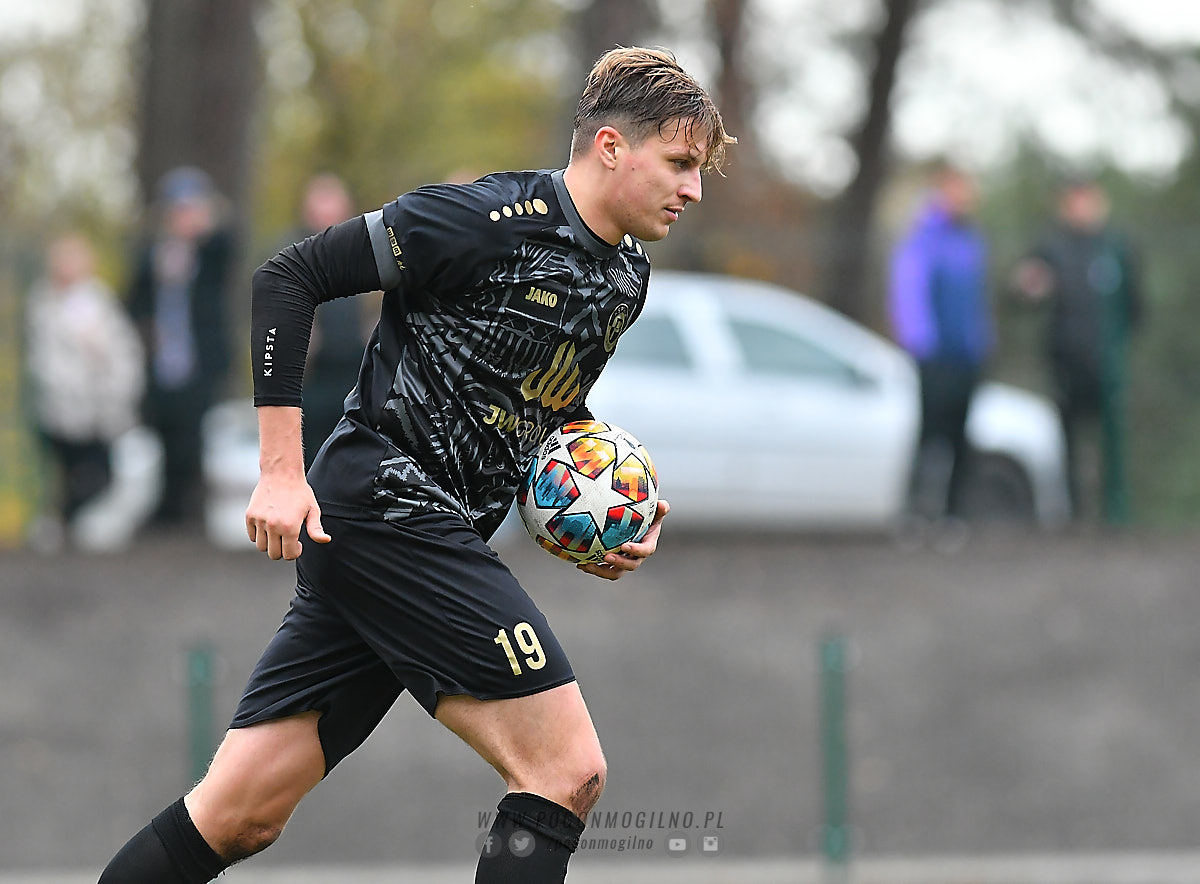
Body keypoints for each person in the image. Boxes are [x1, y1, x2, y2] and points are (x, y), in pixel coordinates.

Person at [98, 47, 732, 884]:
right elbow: (289, 277)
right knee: (564, 770)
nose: (693, 189)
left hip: (399, 540)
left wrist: (600, 504)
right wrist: (280, 470)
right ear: (611, 147)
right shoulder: (480, 219)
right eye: (680, 163)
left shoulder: (624, 278)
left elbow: (543, 407)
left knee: (239, 814)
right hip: (386, 504)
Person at [1012, 177, 1142, 525]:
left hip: (1107, 362)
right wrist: (1026, 286)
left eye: (1087, 200)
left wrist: (1119, 346)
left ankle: (1115, 514)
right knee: (1067, 438)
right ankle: (1072, 514)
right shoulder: (1050, 247)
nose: (1081, 208)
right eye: (1074, 201)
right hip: (1065, 360)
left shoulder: (1116, 247)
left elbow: (1135, 306)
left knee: (1112, 441)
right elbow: (1021, 293)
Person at [126, 167, 236, 527]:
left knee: (194, 435)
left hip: (198, 361)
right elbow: (135, 300)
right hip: (162, 362)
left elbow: (226, 245)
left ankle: (192, 509)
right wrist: (146, 329)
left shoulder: (211, 251)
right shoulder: (153, 255)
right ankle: (168, 509)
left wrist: (203, 229)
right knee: (165, 432)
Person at [888, 163, 994, 532]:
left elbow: (977, 299)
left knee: (960, 436)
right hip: (934, 356)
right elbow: (909, 292)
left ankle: (953, 515)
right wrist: (921, 345)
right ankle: (916, 513)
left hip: (967, 355)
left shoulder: (972, 239)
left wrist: (982, 342)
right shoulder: (923, 236)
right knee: (929, 433)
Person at [26, 233, 143, 544]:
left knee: (97, 476)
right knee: (66, 475)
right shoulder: (42, 302)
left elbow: (119, 352)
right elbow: (45, 359)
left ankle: (85, 529)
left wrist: (114, 394)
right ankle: (64, 527)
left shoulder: (96, 301)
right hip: (59, 409)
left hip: (98, 409)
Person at [284, 173, 377, 469]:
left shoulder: (366, 254)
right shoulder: (294, 257)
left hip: (356, 371)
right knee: (312, 455)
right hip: (313, 375)